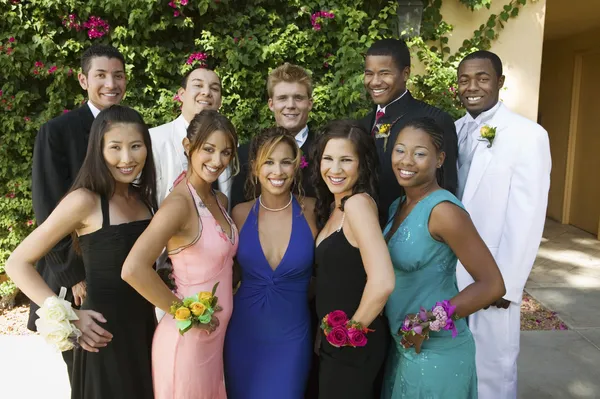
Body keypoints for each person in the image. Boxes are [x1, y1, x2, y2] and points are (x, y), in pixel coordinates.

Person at [7, 105, 157, 398]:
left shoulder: (142, 199)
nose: (127, 158)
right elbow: (17, 263)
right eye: (115, 147)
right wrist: (71, 316)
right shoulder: (84, 201)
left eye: (136, 146)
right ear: (98, 150)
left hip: (144, 332)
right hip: (103, 337)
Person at [381, 117, 506, 398]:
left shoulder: (444, 211)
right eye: (400, 150)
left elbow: (492, 285)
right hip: (403, 348)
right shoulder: (398, 205)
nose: (407, 160)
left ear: (440, 159)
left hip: (436, 353)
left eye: (420, 153)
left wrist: (426, 323)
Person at [122, 110, 239, 399]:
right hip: (186, 343)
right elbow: (133, 268)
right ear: (188, 147)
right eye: (208, 149)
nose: (217, 161)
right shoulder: (179, 204)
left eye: (226, 152)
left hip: (213, 343)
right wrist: (182, 311)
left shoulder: (219, 199)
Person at [454, 50, 551, 399]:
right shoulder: (454, 130)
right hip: (450, 269)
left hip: (493, 276)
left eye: (482, 78)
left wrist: (506, 286)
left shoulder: (528, 135)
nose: (472, 86)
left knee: (493, 370)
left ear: (500, 82)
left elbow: (528, 216)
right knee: (456, 363)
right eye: (464, 79)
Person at [29, 43, 127, 382]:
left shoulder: (131, 128)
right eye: (101, 75)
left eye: (118, 75)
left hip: (121, 276)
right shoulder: (57, 131)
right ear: (84, 80)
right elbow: (47, 208)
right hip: (74, 278)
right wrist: (75, 276)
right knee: (86, 373)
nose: (111, 84)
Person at [224, 127, 318, 398]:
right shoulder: (239, 213)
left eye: (285, 161)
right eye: (268, 161)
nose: (277, 171)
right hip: (243, 334)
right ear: (254, 167)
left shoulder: (314, 210)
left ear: (296, 165)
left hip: (293, 337)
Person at [312, 120, 395, 398]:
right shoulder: (337, 205)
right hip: (334, 341)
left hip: (353, 346)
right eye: (328, 158)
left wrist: (349, 335)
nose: (335, 169)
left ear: (362, 164)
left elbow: (382, 281)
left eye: (346, 160)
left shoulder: (358, 204)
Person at [359, 38, 458, 225]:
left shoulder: (435, 119)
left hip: (413, 230)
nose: (375, 82)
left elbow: (447, 186)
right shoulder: (363, 124)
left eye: (384, 73)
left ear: (405, 74)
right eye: (369, 73)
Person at [230, 62, 317, 208]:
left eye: (298, 98)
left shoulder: (325, 150)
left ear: (309, 103)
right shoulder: (246, 154)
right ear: (271, 104)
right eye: (282, 98)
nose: (290, 105)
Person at [151, 67, 229, 205]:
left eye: (215, 89)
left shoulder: (230, 144)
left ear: (220, 100)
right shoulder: (154, 139)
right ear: (181, 94)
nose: (206, 92)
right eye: (198, 85)